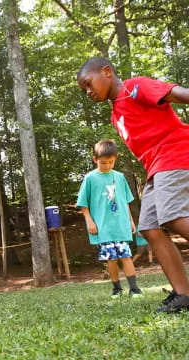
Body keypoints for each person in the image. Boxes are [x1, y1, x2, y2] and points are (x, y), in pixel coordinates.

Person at [77, 57, 189, 312]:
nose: (88, 92)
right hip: (156, 168)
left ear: (106, 72)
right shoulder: (116, 113)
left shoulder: (135, 87)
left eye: (88, 83)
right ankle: (184, 294)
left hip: (176, 154)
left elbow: (178, 94)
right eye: (84, 89)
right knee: (149, 227)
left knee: (173, 216)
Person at [77, 139, 143, 299]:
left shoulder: (119, 177)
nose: (107, 165)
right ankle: (116, 289)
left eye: (111, 162)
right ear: (95, 160)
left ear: (116, 159)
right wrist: (89, 222)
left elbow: (125, 201)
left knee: (125, 256)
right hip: (102, 227)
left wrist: (131, 220)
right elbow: (83, 204)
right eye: (103, 162)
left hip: (120, 225)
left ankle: (134, 289)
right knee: (111, 259)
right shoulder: (90, 178)